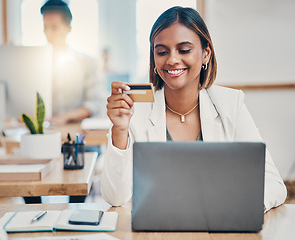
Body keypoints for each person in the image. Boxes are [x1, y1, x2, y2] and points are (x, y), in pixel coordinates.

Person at [101, 6, 287, 212]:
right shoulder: (136, 112)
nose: (172, 59)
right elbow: (115, 197)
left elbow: (273, 184)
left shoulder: (230, 104)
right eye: (162, 51)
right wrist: (119, 130)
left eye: (184, 50)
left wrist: (233, 207)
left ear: (206, 54)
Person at [24, 0, 103, 204]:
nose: (49, 33)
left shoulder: (87, 62)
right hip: (44, 137)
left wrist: (64, 117)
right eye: (45, 28)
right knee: (27, 175)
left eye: (54, 27)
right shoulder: (33, 64)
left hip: (75, 139)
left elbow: (94, 103)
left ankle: (73, 220)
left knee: (78, 178)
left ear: (68, 28)